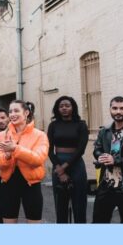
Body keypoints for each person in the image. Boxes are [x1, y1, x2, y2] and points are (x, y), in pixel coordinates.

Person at [0, 100, 49, 223]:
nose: (12, 114)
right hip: (8, 184)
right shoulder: (2, 135)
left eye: (16, 110)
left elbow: (38, 159)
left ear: (26, 112)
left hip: (32, 185)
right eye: (10, 111)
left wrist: (15, 149)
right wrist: (6, 157)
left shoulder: (40, 135)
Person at [46, 95, 89, 223]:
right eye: (61, 106)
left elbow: (81, 149)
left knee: (79, 204)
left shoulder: (81, 125)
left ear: (73, 108)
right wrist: (59, 168)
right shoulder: (53, 125)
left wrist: (63, 168)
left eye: (67, 106)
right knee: (60, 204)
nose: (64, 108)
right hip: (57, 163)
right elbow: (49, 149)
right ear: (57, 109)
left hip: (76, 165)